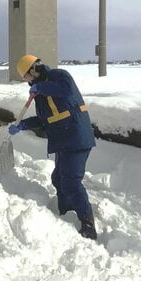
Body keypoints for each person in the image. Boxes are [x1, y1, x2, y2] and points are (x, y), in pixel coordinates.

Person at [8, 54, 98, 240]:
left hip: (76, 136)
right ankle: (65, 212)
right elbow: (43, 119)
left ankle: (88, 224)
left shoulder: (59, 76)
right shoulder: (40, 94)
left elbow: (66, 90)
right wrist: (22, 125)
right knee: (58, 178)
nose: (26, 81)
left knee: (71, 182)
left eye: (25, 77)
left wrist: (41, 87)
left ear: (33, 70)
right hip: (62, 141)